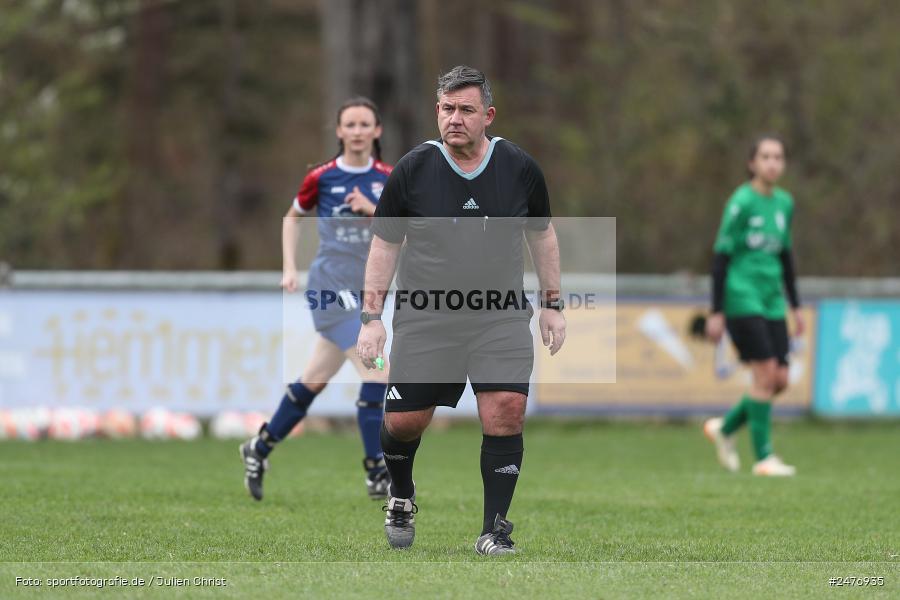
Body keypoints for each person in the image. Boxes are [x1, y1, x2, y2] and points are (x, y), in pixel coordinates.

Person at [356, 66, 566, 555]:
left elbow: (543, 236)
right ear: (437, 112)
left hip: (500, 316)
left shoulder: (519, 168)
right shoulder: (413, 170)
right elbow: (384, 245)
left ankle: (494, 529)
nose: (455, 118)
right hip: (427, 317)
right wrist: (371, 319)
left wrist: (553, 304)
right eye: (447, 109)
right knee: (407, 421)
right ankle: (402, 493)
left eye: (466, 109)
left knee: (506, 412)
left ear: (487, 115)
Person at [240, 97, 393, 501]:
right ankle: (377, 469)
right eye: (350, 125)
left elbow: (404, 231)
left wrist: (372, 210)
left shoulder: (389, 178)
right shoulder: (322, 177)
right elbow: (292, 217)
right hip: (328, 286)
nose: (358, 131)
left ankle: (259, 447)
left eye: (365, 125)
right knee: (378, 371)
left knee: (313, 381)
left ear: (376, 131)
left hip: (363, 293)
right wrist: (289, 267)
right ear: (339, 132)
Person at [703, 134, 804, 477]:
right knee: (763, 374)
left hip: (773, 299)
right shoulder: (741, 202)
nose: (772, 163)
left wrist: (797, 307)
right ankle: (764, 458)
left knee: (780, 379)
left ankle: (725, 428)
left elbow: (786, 257)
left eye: (778, 157)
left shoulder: (785, 203)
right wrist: (717, 310)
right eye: (766, 156)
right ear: (752, 163)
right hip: (741, 296)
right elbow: (720, 256)